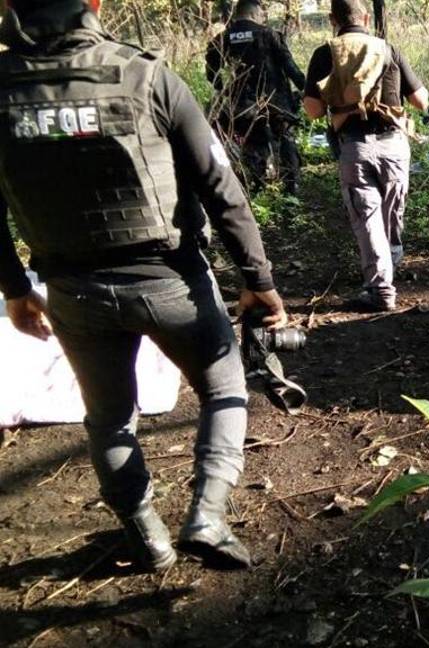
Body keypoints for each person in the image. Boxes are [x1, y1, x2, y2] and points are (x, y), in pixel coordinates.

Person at [0, 0, 286, 571]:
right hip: (170, 281)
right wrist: (258, 280)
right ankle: (207, 515)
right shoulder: (147, 76)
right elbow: (219, 185)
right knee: (224, 387)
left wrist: (14, 289)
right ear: (94, 5)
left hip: (73, 290)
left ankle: (146, 535)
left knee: (109, 417)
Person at [302, 0, 428, 312]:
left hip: (355, 146)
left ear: (332, 20)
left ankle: (381, 288)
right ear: (367, 18)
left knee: (368, 217)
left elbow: (313, 111)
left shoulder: (325, 53)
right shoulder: (388, 49)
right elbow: (420, 101)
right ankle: (390, 259)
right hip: (394, 145)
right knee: (392, 211)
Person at [207, 0, 307, 194]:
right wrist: (306, 89)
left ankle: (257, 184)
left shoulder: (223, 38)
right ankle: (291, 186)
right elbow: (290, 67)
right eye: (261, 15)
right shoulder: (269, 35)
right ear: (253, 14)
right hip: (276, 101)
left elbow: (212, 72)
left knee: (253, 141)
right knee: (285, 138)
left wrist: (223, 89)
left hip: (242, 103)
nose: (263, 19)